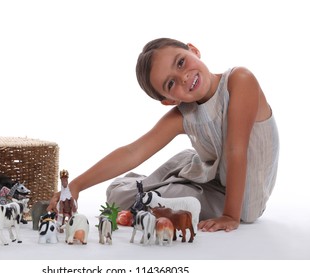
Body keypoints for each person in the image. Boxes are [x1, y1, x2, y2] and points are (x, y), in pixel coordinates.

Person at [48, 38, 279, 232]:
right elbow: (133, 151)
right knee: (117, 197)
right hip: (211, 176)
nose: (184, 77)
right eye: (171, 83)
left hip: (239, 197)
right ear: (170, 100)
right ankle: (159, 179)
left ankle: (165, 181)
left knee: (140, 199)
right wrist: (76, 185)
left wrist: (230, 215)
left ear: (193, 50)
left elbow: (236, 150)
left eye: (180, 62)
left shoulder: (240, 80)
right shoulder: (183, 114)